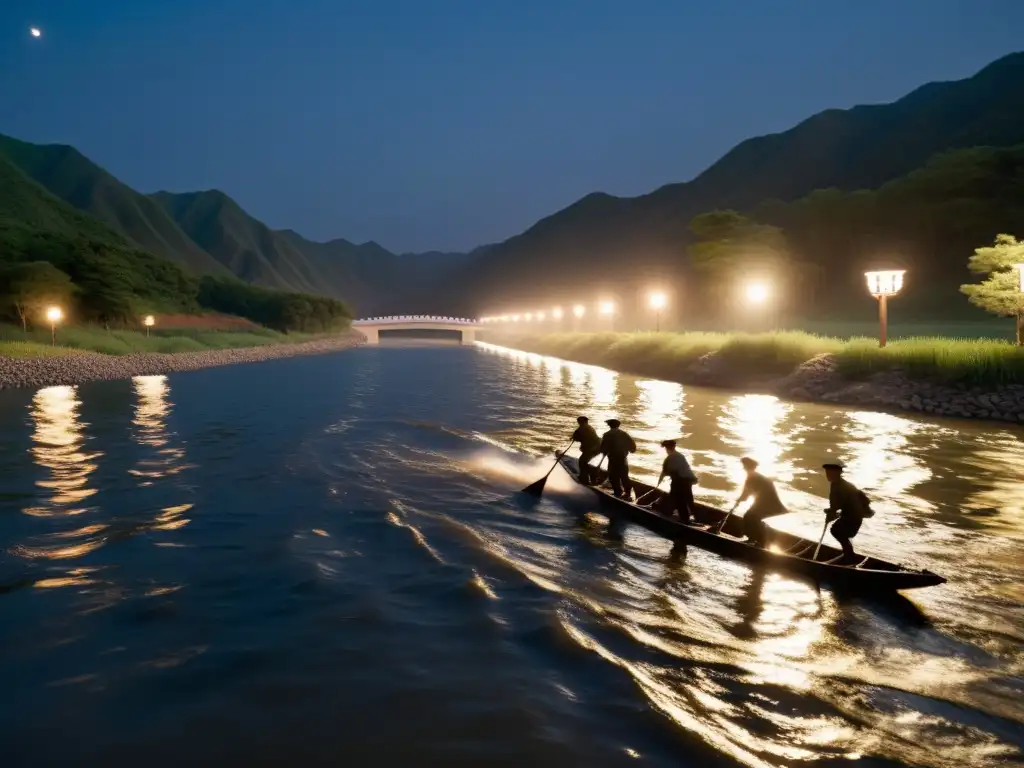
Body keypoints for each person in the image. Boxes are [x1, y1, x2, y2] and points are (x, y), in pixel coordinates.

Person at [822, 462, 870, 561]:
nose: (827, 475)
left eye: (829, 473)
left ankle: (849, 555)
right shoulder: (839, 484)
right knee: (838, 531)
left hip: (853, 518)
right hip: (852, 516)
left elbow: (837, 505)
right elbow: (838, 506)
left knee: (836, 531)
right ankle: (848, 554)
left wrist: (831, 512)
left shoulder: (839, 486)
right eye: (827, 473)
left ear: (837, 473)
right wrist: (831, 512)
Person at [733, 457, 787, 545]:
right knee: (752, 517)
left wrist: (739, 500)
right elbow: (747, 494)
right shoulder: (755, 476)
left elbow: (746, 495)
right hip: (765, 502)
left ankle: (755, 540)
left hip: (768, 503)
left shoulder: (752, 477)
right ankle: (760, 540)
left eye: (744, 466)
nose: (743, 468)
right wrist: (740, 499)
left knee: (749, 517)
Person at [657, 440, 698, 522]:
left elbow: (664, 472)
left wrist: (658, 484)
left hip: (681, 481)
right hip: (689, 480)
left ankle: (684, 519)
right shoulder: (680, 456)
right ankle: (696, 517)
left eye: (666, 448)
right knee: (689, 500)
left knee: (678, 499)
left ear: (667, 448)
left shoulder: (670, 458)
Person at [599, 418, 637, 498]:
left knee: (613, 477)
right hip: (623, 459)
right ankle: (627, 493)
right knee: (624, 476)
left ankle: (617, 492)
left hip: (613, 459)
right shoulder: (624, 434)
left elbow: (603, 449)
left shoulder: (607, 434)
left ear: (609, 425)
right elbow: (633, 447)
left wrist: (603, 454)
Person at [571, 416, 602, 484]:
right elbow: (578, 436)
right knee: (583, 462)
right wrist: (574, 437)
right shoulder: (586, 427)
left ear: (584, 422)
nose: (579, 423)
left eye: (580, 421)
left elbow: (578, 435)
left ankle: (587, 477)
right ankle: (588, 476)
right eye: (578, 421)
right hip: (593, 448)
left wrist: (574, 437)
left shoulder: (585, 427)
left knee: (582, 462)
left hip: (593, 448)